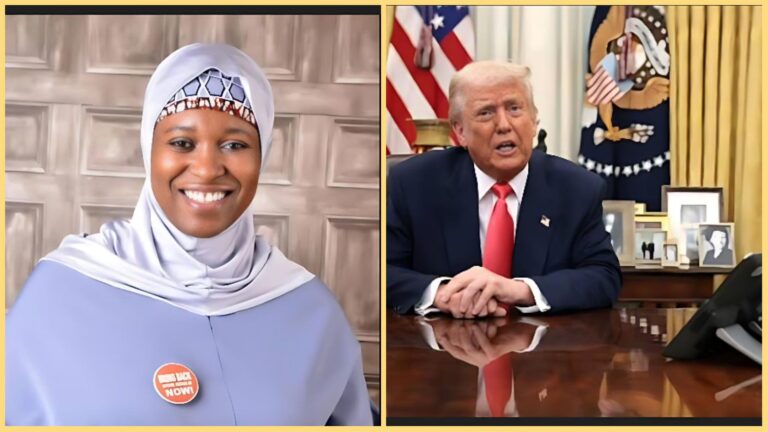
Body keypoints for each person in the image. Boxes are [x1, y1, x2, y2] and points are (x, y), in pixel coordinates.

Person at [6, 44, 372, 426]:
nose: (208, 168)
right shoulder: (59, 295)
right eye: (182, 143)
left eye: (235, 145)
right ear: (149, 148)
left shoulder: (309, 311)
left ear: (263, 155)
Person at [387, 61, 621, 319]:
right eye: (486, 113)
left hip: (542, 352)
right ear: (460, 131)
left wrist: (521, 290)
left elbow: (604, 277)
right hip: (441, 350)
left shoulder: (577, 189)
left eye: (514, 108)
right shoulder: (414, 184)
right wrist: (441, 294)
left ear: (534, 121)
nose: (504, 125)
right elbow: (381, 270)